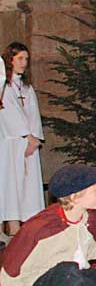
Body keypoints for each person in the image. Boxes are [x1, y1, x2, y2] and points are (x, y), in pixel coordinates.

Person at [0, 42, 45, 239]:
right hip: (11, 142)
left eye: (26, 59)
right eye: (20, 58)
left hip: (28, 144)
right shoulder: (4, 86)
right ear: (9, 60)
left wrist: (33, 139)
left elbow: (33, 113)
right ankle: (12, 226)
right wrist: (26, 136)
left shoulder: (26, 87)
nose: (24, 63)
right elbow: (7, 112)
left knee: (28, 185)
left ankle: (27, 227)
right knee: (11, 184)